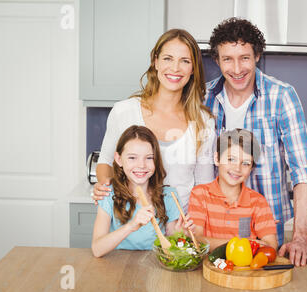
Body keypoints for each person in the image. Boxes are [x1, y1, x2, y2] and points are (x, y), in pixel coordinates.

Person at [204, 18, 307, 266]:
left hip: (265, 231)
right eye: (227, 59)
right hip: (215, 228)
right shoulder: (204, 98)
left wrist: (300, 237)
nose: (236, 69)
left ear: (257, 55)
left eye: (244, 57)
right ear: (217, 60)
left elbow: (302, 172)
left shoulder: (281, 96)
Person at [92, 29, 216, 211]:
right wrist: (104, 188)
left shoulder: (203, 121)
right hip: (131, 224)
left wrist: (191, 227)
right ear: (155, 62)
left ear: (193, 69)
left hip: (179, 232)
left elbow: (204, 186)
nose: (175, 68)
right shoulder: (124, 111)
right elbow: (105, 161)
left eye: (185, 61)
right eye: (168, 58)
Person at [91, 125, 193, 258]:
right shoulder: (109, 194)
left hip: (156, 266)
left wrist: (181, 235)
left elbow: (171, 243)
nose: (141, 165)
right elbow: (97, 249)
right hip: (117, 266)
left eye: (149, 158)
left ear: (156, 160)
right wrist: (131, 226)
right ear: (119, 159)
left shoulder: (169, 195)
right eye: (132, 158)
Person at [188, 129, 277, 251]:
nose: (237, 168)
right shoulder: (200, 194)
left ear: (251, 168)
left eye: (245, 163)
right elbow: (196, 239)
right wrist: (246, 243)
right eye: (231, 159)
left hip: (245, 269)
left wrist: (216, 243)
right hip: (208, 268)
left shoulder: (258, 202)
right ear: (217, 158)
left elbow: (271, 245)